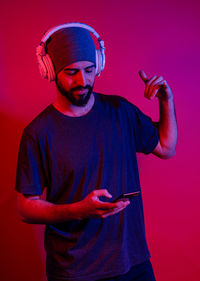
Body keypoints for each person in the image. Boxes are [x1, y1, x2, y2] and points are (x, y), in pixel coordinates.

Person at [15, 22, 177, 281]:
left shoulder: (120, 111)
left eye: (89, 71)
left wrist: (166, 100)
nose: (82, 81)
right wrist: (78, 209)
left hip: (134, 264)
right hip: (76, 271)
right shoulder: (38, 132)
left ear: (98, 66)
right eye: (71, 72)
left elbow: (167, 148)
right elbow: (26, 207)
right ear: (50, 70)